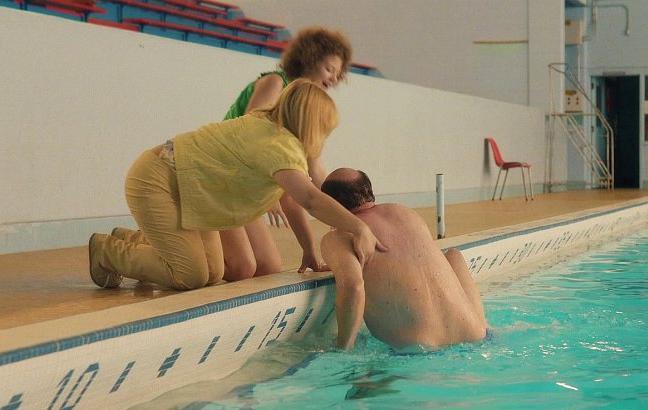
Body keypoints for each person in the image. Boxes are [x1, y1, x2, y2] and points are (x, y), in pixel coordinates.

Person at [88, 80, 385, 291]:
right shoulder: (278, 144)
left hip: (191, 190)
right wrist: (359, 228)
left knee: (213, 272)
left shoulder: (276, 132)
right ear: (311, 125)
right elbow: (310, 199)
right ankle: (106, 251)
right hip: (157, 180)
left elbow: (293, 200)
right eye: (324, 130)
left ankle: (133, 239)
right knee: (189, 276)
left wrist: (308, 250)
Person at [220, 26, 353, 281]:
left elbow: (314, 173)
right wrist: (271, 192)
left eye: (338, 75)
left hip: (246, 189)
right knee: (242, 267)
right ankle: (181, 242)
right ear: (310, 58)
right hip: (226, 178)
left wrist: (343, 212)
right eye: (329, 69)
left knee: (268, 266)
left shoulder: (305, 108)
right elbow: (250, 136)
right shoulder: (276, 82)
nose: (333, 79)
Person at [319, 168, 489, 352]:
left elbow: (353, 286)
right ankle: (487, 325)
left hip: (418, 351)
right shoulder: (406, 213)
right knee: (453, 255)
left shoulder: (338, 237)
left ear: (329, 206)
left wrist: (343, 348)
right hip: (476, 336)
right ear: (368, 191)